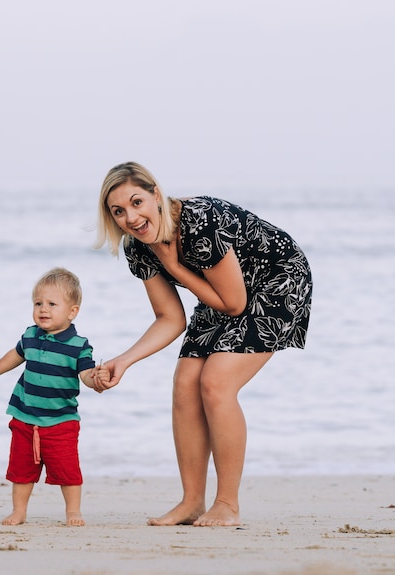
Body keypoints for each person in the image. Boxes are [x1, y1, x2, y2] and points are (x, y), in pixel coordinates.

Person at [91, 162, 312, 527]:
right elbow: (170, 318)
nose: (131, 217)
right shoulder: (139, 248)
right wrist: (125, 360)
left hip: (277, 279)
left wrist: (175, 267)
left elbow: (236, 304)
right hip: (221, 292)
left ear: (156, 195)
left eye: (137, 202)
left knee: (216, 382)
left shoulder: (200, 221)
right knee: (184, 383)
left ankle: (227, 504)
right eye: (119, 211)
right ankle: (192, 502)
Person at [0, 267, 107, 526]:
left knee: (67, 469)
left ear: (72, 312)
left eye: (51, 304)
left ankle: (73, 512)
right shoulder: (30, 336)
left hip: (61, 420)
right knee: (21, 469)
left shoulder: (78, 345)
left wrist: (97, 379)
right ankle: (19, 511)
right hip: (25, 416)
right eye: (38, 303)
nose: (43, 309)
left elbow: (86, 374)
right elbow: (12, 359)